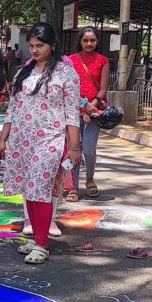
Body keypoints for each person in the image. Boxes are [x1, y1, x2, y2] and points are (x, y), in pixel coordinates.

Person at [0, 22, 82, 265]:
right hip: (22, 141)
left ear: (53, 45)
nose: (34, 50)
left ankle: (42, 244)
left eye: (40, 45)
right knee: (29, 190)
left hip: (50, 141)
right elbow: (12, 108)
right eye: (31, 46)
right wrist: (3, 139)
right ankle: (36, 237)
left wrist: (74, 148)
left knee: (41, 190)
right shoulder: (23, 72)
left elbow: (72, 114)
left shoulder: (66, 74)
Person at [64, 26, 111, 202]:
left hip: (95, 110)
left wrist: (92, 107)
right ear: (80, 41)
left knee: (89, 149)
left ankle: (90, 178)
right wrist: (83, 108)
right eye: (85, 40)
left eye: (92, 40)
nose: (89, 43)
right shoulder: (70, 60)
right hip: (73, 111)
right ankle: (72, 186)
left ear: (97, 41)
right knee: (74, 149)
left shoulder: (103, 60)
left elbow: (103, 88)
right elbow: (67, 87)